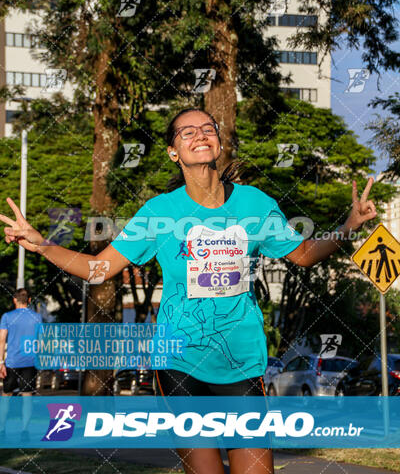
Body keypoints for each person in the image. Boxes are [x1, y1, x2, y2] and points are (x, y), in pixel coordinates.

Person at [0, 108, 377, 473]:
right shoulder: (158, 212)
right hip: (179, 366)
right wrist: (44, 245)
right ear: (173, 152)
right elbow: (99, 270)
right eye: (188, 132)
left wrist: (349, 225)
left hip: (241, 364)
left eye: (208, 128)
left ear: (219, 141)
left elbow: (306, 254)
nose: (201, 135)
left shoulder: (255, 205)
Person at [0, 288, 43, 439]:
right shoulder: (37, 317)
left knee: (6, 395)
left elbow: (2, 339)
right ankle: (25, 431)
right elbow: (41, 341)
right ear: (29, 300)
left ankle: (2, 430)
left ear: (14, 300)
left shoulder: (7, 317)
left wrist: (1, 362)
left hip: (12, 362)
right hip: (30, 362)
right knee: (27, 397)